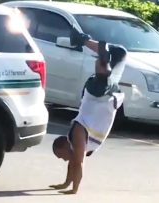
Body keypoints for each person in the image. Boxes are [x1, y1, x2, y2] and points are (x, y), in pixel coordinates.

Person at [49, 28, 127, 194]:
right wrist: (65, 184)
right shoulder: (76, 143)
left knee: (104, 66)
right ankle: (85, 41)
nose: (63, 160)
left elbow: (78, 163)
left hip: (97, 93)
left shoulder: (77, 134)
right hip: (108, 94)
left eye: (61, 155)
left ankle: (84, 41)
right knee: (120, 52)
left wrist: (73, 189)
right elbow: (73, 163)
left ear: (64, 145)